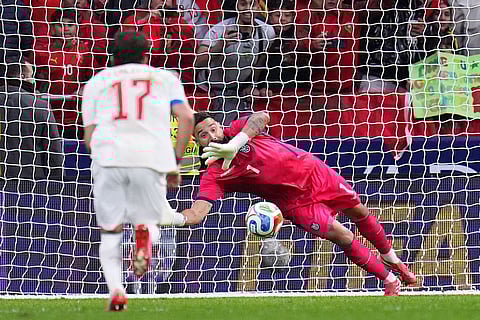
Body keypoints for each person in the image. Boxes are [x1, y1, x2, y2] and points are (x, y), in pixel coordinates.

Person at [180, 111, 417, 296]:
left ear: (220, 126)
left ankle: (391, 257)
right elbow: (197, 213)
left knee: (359, 211)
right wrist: (171, 217)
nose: (212, 136)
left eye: (213, 128)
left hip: (315, 174)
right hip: (295, 204)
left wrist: (236, 143)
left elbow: (262, 117)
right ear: (198, 143)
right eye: (204, 135)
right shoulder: (213, 175)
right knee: (343, 236)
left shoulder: (238, 129)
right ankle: (390, 280)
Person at [81, 31, 194, 311]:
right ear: (147, 54)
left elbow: (89, 134)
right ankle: (144, 234)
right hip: (150, 158)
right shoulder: (165, 79)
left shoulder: (97, 82)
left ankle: (118, 292)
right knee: (151, 220)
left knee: (110, 232)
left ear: (112, 55)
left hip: (110, 157)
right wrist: (175, 162)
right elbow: (187, 118)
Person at [195, 0, 275, 125]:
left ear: (259, 7)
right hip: (214, 91)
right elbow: (198, 62)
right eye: (243, 4)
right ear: (236, 7)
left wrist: (252, 84)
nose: (248, 9)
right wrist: (221, 45)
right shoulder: (219, 30)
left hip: (241, 91)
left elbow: (260, 61)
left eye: (252, 4)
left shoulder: (267, 32)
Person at [0, 59, 64, 183]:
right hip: (31, 186)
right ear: (23, 77)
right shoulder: (40, 106)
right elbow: (54, 153)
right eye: (31, 76)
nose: (33, 80)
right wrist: (57, 186)